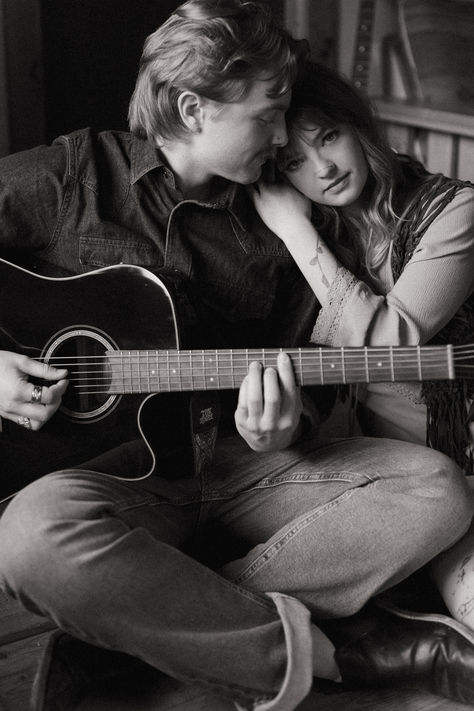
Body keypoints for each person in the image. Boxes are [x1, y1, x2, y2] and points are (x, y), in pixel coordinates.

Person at [0, 5, 473, 710]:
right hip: (116, 486)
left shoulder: (281, 215)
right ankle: (335, 656)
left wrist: (280, 429)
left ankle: (152, 631)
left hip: (237, 470)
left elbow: (315, 387)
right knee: (29, 541)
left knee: (436, 489)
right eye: (270, 114)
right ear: (194, 108)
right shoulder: (75, 177)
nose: (284, 136)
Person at [249, 58, 474, 637]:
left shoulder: (453, 210)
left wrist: (296, 232)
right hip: (385, 474)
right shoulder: (313, 246)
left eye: (330, 137)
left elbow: (390, 343)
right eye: (295, 161)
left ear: (359, 128)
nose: (323, 169)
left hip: (464, 463)